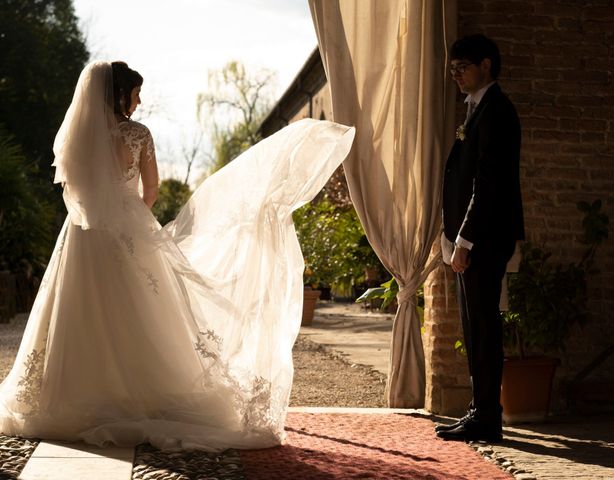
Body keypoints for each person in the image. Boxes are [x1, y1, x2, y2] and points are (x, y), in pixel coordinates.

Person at [0, 61, 355, 451]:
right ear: (120, 94)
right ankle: (144, 394)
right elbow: (149, 190)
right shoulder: (137, 134)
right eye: (135, 93)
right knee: (143, 310)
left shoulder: (76, 137)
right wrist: (134, 218)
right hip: (128, 225)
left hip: (82, 235)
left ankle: (72, 395)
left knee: (78, 308)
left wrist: (103, 213)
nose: (138, 101)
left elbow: (73, 191)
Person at [437, 34, 524, 442]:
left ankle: (488, 417)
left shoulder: (497, 111)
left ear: (485, 65)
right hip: (471, 239)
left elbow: (489, 183)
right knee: (474, 328)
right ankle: (480, 410)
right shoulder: (475, 109)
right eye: (452, 70)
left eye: (461, 68)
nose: (455, 76)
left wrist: (465, 240)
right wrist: (449, 233)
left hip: (485, 239)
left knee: (484, 327)